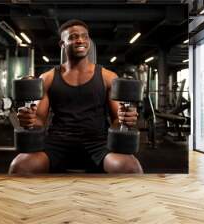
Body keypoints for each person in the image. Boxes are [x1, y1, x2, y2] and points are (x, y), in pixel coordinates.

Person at [9, 19, 143, 174]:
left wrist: (125, 119)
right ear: (62, 44)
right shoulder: (48, 78)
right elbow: (39, 121)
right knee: (19, 166)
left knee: (131, 167)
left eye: (84, 36)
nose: (80, 40)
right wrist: (29, 120)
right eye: (73, 37)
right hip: (58, 142)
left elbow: (115, 120)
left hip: (98, 143)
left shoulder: (108, 77)